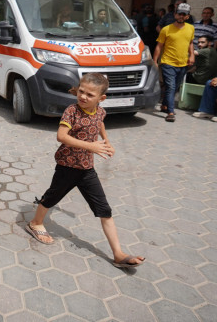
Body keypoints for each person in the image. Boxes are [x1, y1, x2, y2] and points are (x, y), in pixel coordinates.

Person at [26, 73, 146, 268]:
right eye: (81, 91)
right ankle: (35, 223)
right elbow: (61, 136)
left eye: (90, 95)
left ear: (101, 98)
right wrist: (92, 147)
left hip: (87, 169)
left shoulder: (99, 111)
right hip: (67, 165)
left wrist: (106, 142)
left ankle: (118, 254)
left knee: (104, 209)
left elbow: (100, 123)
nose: (83, 97)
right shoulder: (71, 111)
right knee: (51, 197)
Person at [152, 3, 195, 122]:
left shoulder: (190, 28)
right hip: (168, 62)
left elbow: (190, 43)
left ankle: (164, 105)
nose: (181, 16)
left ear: (187, 16)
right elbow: (159, 46)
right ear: (175, 14)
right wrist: (155, 61)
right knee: (171, 87)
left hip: (183, 63)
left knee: (175, 87)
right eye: (179, 13)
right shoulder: (166, 29)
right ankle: (170, 112)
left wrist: (191, 55)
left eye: (184, 14)